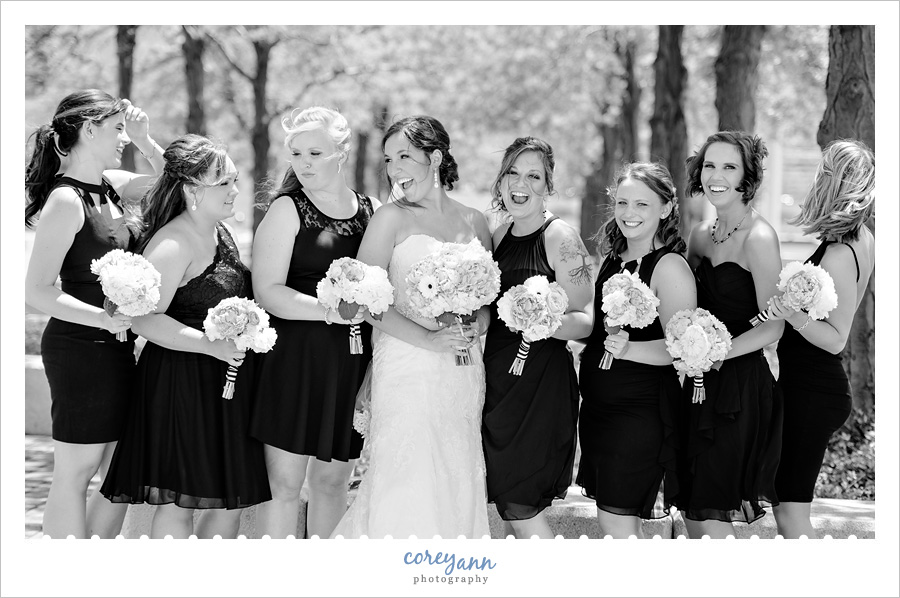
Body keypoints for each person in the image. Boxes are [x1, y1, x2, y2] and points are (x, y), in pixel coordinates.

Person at [99, 134, 271, 538]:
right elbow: (142, 319)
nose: (235, 189)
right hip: (181, 384)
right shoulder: (173, 243)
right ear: (193, 190)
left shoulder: (219, 230)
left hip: (221, 383)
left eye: (234, 179)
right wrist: (208, 346)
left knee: (229, 501)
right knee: (180, 503)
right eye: (224, 181)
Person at [330, 116, 490, 539]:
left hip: (463, 369)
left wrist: (471, 327)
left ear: (434, 157)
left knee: (456, 471)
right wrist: (429, 339)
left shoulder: (475, 222)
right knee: (406, 477)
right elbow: (362, 301)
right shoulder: (389, 219)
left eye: (405, 156)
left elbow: (486, 307)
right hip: (406, 366)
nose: (395, 168)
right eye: (388, 159)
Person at [25, 89, 164, 539]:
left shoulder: (111, 185)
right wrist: (102, 320)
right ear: (89, 129)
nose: (123, 138)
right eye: (118, 128)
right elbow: (38, 290)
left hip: (118, 346)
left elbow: (178, 183)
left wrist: (145, 140)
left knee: (114, 471)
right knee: (76, 470)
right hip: (80, 348)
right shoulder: (66, 200)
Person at [249, 107, 379, 539]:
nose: (304, 163)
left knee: (332, 482)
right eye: (296, 153)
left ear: (341, 153)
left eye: (316, 153)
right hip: (293, 360)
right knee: (284, 486)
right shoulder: (288, 208)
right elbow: (267, 290)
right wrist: (330, 311)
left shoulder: (371, 211)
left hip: (350, 364)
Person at [481, 137, 593, 539]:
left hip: (539, 386)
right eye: (512, 172)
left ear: (548, 185)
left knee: (521, 503)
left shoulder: (560, 237)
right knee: (510, 506)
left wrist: (538, 322)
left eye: (533, 175)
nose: (520, 183)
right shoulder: (499, 235)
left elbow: (583, 321)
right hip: (498, 386)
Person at [675, 130, 784, 539]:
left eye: (729, 166)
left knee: (716, 511)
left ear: (746, 178)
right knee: (691, 510)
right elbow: (683, 306)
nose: (716, 175)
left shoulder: (759, 238)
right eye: (709, 165)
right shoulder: (701, 234)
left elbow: (773, 325)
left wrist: (715, 354)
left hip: (740, 389)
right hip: (697, 387)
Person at [577, 162, 696, 539]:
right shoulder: (613, 259)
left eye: (642, 205)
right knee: (614, 523)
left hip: (639, 414)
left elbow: (684, 347)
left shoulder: (670, 267)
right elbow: (598, 330)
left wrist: (629, 351)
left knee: (617, 525)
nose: (630, 213)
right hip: (599, 412)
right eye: (623, 202)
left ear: (665, 209)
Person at [766, 140, 875, 539]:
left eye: (824, 172)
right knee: (784, 506)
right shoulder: (858, 238)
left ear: (835, 180)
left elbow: (835, 339)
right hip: (806, 388)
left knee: (792, 514)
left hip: (813, 391)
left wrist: (789, 312)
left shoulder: (842, 252)